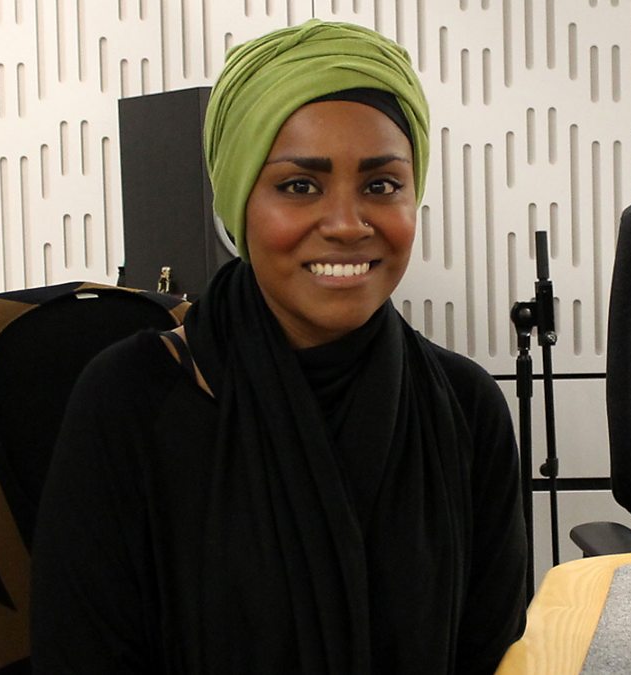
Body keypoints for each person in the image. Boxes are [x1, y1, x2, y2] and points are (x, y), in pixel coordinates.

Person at [30, 19, 527, 674]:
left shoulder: (466, 408)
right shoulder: (129, 400)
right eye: (299, 186)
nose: (347, 224)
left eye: (381, 185)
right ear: (240, 203)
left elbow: (493, 655)